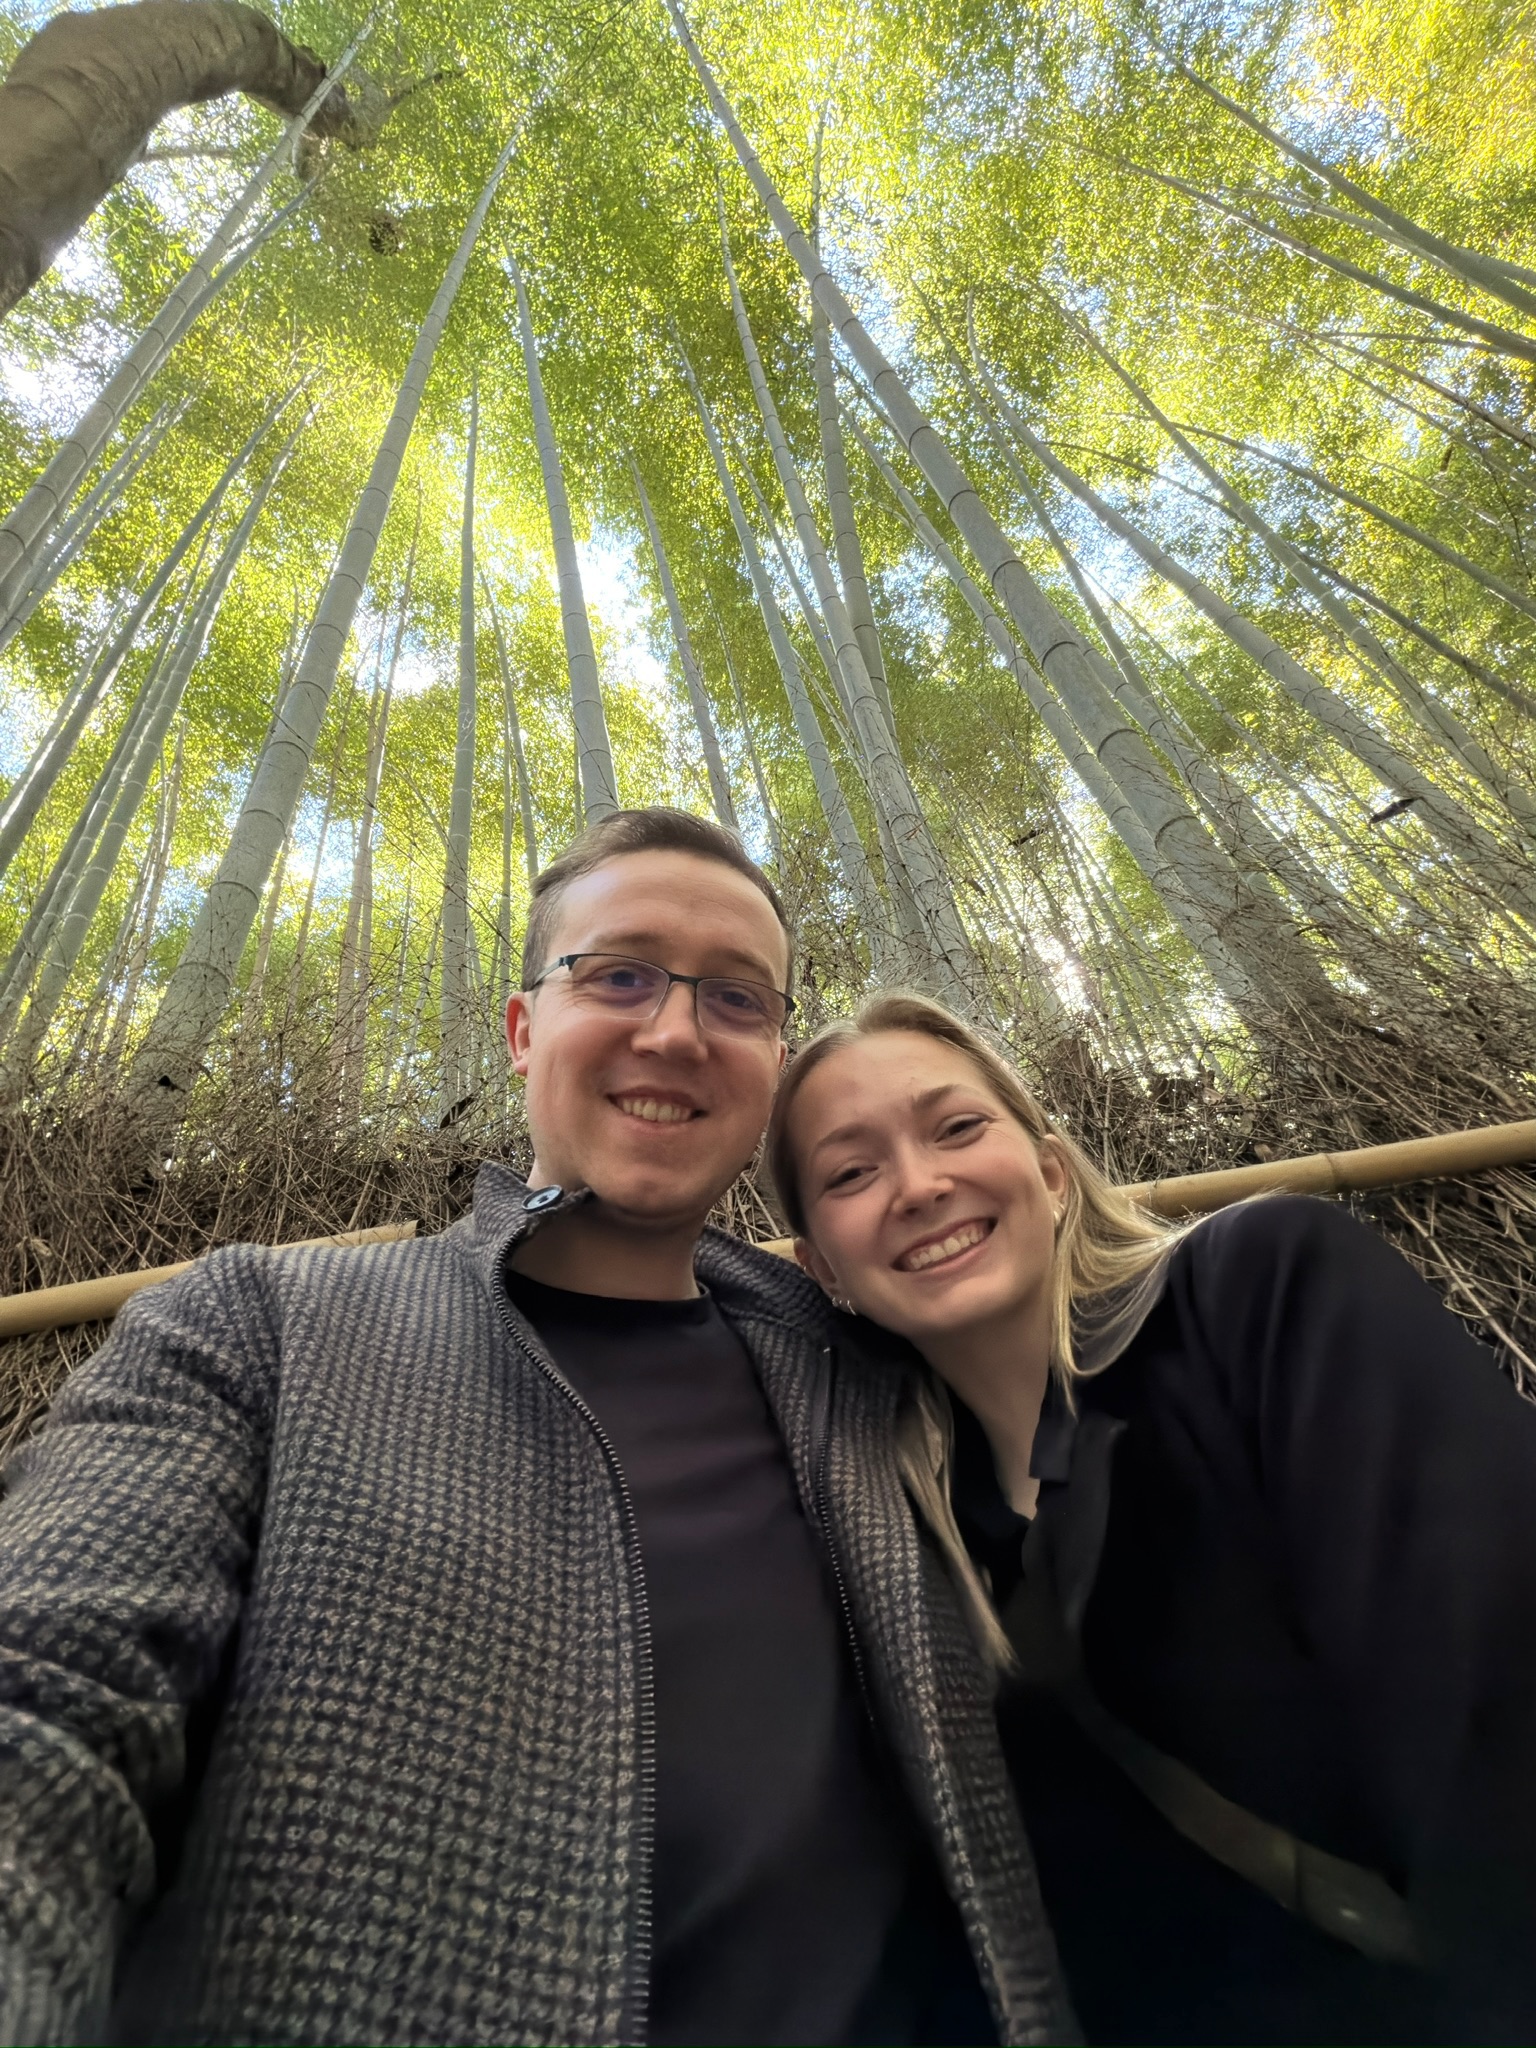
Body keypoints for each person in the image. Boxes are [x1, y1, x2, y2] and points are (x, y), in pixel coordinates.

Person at [0, 811, 1077, 2047]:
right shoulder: (266, 1323)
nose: (674, 1029)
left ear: (773, 1059)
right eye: (618, 974)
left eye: (735, 997)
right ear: (523, 1031)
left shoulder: (873, 1357)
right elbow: (47, 1694)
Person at [768, 991, 1536, 2046]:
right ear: (822, 1270)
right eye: (851, 1173)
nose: (921, 1183)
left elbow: (1498, 1701)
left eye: (957, 1127)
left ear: (1046, 1166)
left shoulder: (1261, 1294)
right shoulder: (913, 1547)